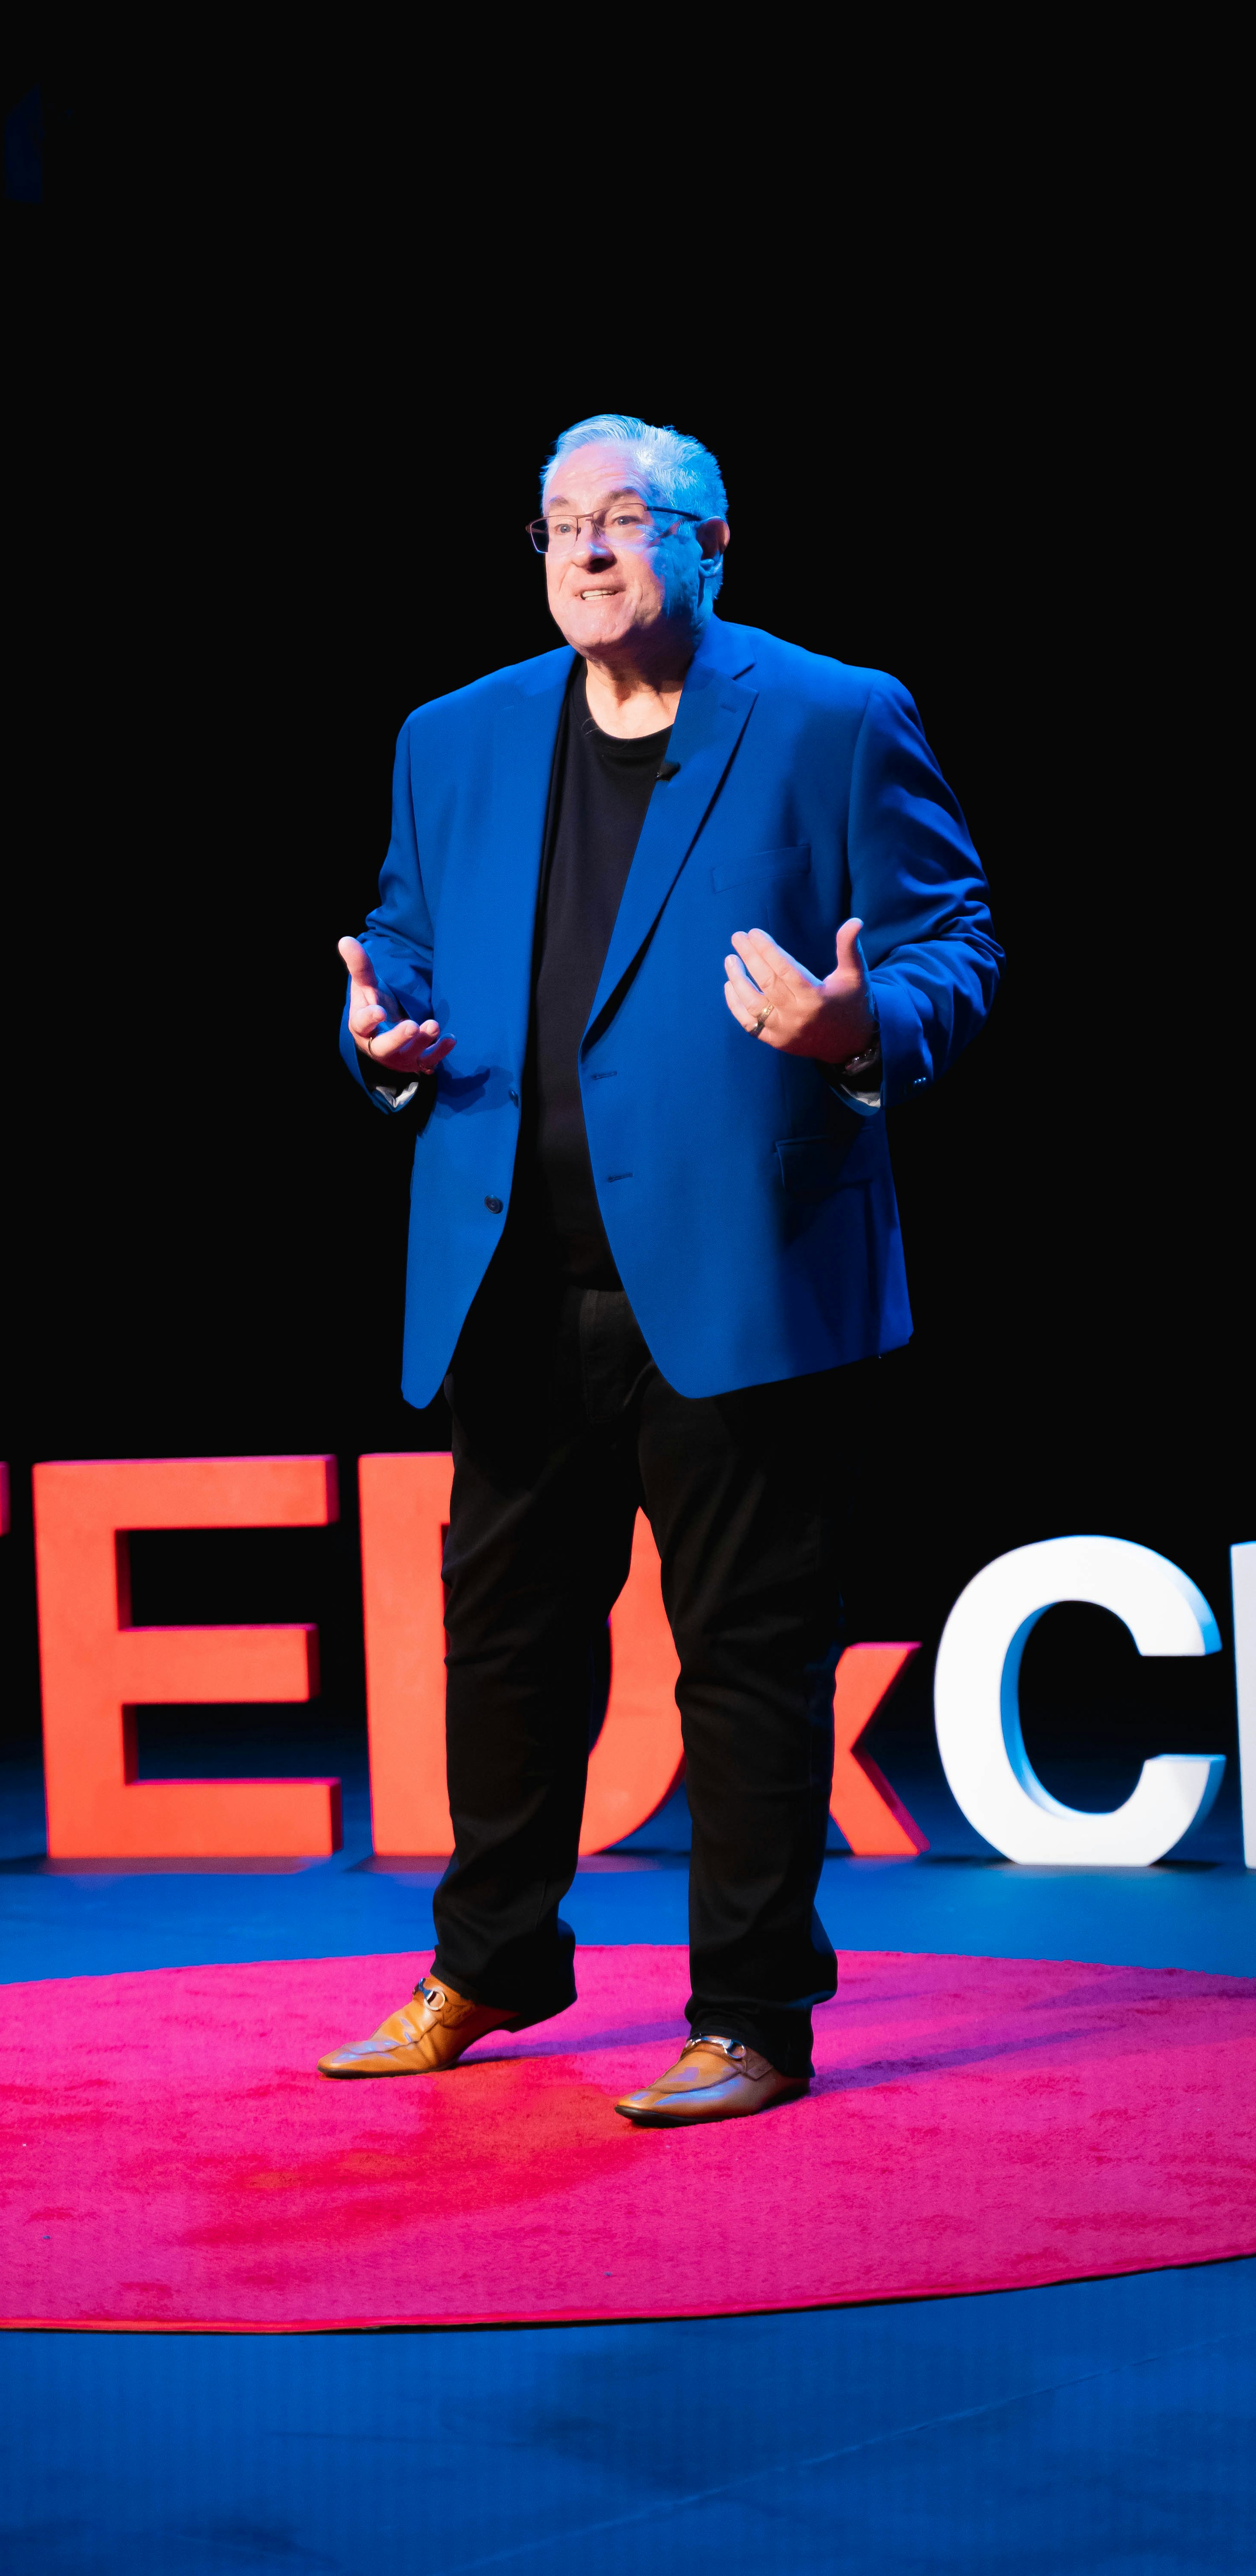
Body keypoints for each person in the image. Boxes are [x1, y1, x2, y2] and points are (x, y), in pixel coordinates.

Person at [320, 414, 999, 2124]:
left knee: (749, 1662)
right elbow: (404, 939)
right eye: (561, 522)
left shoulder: (836, 715)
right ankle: (491, 1961)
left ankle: (754, 2015)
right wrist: (378, 1036)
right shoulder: (453, 738)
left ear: (710, 545)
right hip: (508, 1271)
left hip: (740, 1268)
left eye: (628, 520)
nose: (591, 550)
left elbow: (955, 944)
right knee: (508, 1643)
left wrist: (865, 1028)